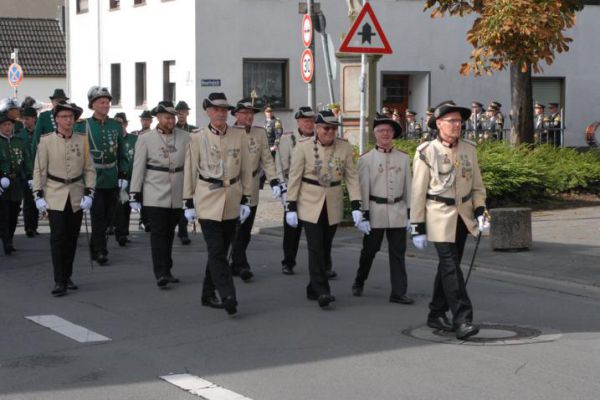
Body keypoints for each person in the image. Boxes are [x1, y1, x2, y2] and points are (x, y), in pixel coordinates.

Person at [411, 101, 489, 340]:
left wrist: (481, 212)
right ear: (439, 124)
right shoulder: (426, 151)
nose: (458, 125)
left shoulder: (469, 149)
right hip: (438, 216)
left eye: (459, 121)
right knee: (451, 266)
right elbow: (417, 192)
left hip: (463, 217)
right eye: (452, 121)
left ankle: (435, 312)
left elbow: (477, 187)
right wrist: (417, 227)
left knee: (448, 267)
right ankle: (462, 318)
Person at [183, 93, 253, 315]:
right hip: (207, 198)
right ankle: (228, 295)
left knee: (221, 250)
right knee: (216, 249)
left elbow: (246, 170)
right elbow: (190, 169)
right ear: (207, 111)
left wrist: (247, 199)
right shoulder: (197, 137)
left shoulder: (238, 135)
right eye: (216, 109)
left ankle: (207, 292)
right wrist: (188, 202)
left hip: (232, 197)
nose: (221, 113)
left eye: (224, 110)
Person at [285, 110, 363, 309]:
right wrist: (291, 206)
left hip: (333, 200)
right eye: (326, 128)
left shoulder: (344, 147)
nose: (330, 132)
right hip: (309, 201)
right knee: (315, 246)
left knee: (325, 246)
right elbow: (294, 177)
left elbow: (352, 177)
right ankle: (322, 291)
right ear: (317, 129)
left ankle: (313, 287)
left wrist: (356, 204)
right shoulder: (303, 147)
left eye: (334, 128)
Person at [32, 101, 95, 296]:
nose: (68, 120)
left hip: (76, 192)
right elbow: (39, 169)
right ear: (56, 120)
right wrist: (38, 194)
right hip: (55, 192)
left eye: (71, 117)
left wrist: (90, 192)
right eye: (64, 117)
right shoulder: (47, 140)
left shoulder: (82, 140)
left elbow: (89, 169)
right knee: (58, 237)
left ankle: (67, 274)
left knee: (72, 238)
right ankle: (59, 280)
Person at [352, 115, 413, 304]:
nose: (385, 134)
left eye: (389, 130)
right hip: (375, 210)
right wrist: (363, 215)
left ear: (393, 133)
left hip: (398, 210)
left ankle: (399, 292)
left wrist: (412, 214)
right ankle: (359, 280)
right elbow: (362, 189)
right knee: (369, 250)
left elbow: (409, 188)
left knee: (398, 253)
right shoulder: (366, 159)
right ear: (375, 134)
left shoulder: (403, 158)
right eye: (381, 131)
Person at [129, 101, 191, 288]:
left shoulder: (186, 137)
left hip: (177, 190)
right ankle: (161, 273)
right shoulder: (146, 138)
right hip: (154, 191)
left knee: (170, 233)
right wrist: (134, 192)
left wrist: (191, 193)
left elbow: (190, 165)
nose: (171, 120)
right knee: (158, 233)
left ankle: (168, 268)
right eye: (167, 117)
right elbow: (138, 167)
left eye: (172, 117)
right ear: (158, 118)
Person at [229, 100, 281, 281]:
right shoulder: (228, 132)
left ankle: (236, 262)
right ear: (236, 114)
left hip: (252, 184)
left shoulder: (259, 133)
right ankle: (241, 264)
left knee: (246, 228)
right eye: (244, 113)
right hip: (233, 185)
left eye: (251, 113)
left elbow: (267, 159)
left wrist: (274, 181)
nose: (249, 116)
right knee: (234, 227)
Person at [74, 86, 126, 265]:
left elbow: (122, 154)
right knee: (98, 216)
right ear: (93, 105)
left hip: (111, 176)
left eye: (107, 102)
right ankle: (101, 250)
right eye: (102, 102)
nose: (106, 105)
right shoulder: (82, 126)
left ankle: (94, 247)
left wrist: (123, 175)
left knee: (110, 217)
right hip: (92, 178)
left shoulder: (116, 126)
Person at [275, 106, 316, 275]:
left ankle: (324, 265)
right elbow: (281, 164)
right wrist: (283, 188)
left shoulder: (319, 138)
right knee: (292, 230)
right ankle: (288, 261)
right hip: (294, 190)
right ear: (298, 121)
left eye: (312, 120)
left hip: (313, 192)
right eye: (306, 120)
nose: (309, 124)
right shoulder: (289, 139)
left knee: (317, 233)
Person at [0, 112, 33, 255]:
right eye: (4, 125)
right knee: (3, 214)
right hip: (1, 183)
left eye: (9, 124)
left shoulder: (19, 142)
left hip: (16, 183)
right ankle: (6, 242)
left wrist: (30, 176)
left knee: (14, 213)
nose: (7, 127)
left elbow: (27, 160)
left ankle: (10, 239)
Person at [113, 112, 137, 246]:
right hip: (115, 177)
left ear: (126, 124)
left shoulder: (134, 139)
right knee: (117, 206)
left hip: (131, 177)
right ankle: (117, 230)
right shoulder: (112, 139)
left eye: (120, 123)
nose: (118, 126)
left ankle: (124, 232)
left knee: (126, 206)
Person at [16, 107, 40, 237]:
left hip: (39, 170)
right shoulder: (20, 135)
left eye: (27, 119)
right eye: (24, 119)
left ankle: (34, 226)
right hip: (25, 173)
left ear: (34, 118)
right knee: (28, 200)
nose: (25, 121)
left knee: (38, 198)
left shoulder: (41, 134)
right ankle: (28, 227)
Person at [31, 89, 69, 157]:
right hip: (48, 155)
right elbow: (36, 139)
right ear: (52, 101)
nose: (59, 103)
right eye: (57, 101)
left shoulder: (69, 117)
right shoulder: (44, 116)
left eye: (62, 101)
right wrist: (34, 160)